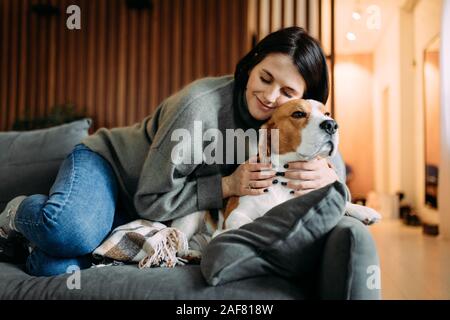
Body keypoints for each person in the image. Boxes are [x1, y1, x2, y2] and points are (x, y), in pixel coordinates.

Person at [0, 26, 340, 277]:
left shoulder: (291, 126)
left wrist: (330, 174)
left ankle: (27, 247)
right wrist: (227, 185)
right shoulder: (200, 107)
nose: (269, 96)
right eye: (265, 78)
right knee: (69, 231)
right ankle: (15, 212)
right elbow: (151, 198)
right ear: (251, 64)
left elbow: (333, 176)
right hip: (112, 171)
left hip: (148, 215)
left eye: (287, 91)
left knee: (60, 268)